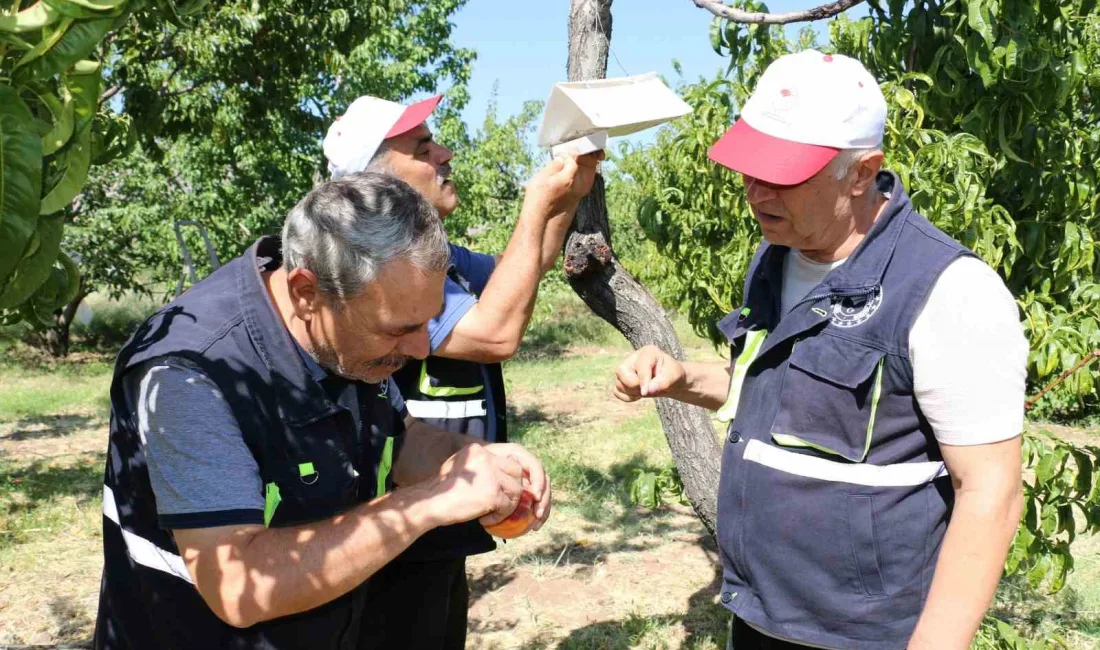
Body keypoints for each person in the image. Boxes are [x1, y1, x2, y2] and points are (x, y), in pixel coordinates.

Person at [613, 50, 1027, 650]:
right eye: (750, 169)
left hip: (864, 636)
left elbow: (991, 491)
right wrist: (680, 377)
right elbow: (769, 389)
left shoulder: (948, 290)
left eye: (782, 174)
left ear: (863, 171)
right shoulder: (775, 259)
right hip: (760, 615)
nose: (756, 192)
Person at [93, 172, 555, 649]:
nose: (420, 348)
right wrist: (429, 502)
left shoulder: (344, 336)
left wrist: (474, 459)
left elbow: (400, 440)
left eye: (428, 321)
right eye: (398, 328)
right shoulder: (189, 374)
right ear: (305, 292)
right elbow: (238, 586)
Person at [322, 94, 601, 648]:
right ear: (377, 183)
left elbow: (527, 266)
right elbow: (495, 333)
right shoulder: (378, 270)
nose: (445, 153)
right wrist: (533, 203)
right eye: (423, 148)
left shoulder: (437, 257)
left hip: (445, 503)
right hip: (392, 517)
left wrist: (571, 185)